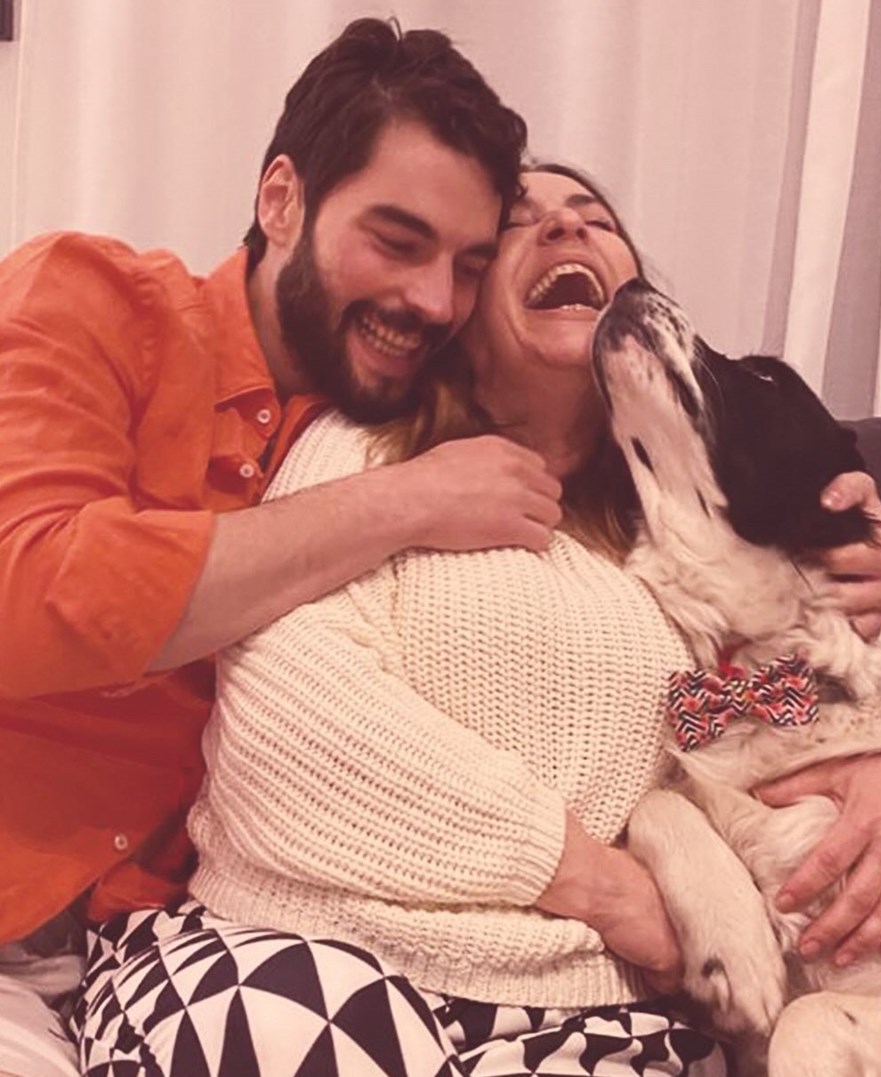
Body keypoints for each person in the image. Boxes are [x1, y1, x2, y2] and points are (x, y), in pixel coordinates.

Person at [72, 164, 881, 1077]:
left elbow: (864, 682)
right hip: (313, 945)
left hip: (595, 1004)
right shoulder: (370, 454)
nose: (566, 230)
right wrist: (604, 885)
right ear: (459, 303)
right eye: (519, 223)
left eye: (595, 218)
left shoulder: (686, 537)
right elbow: (287, 725)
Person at [0, 18, 559, 1077]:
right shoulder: (95, 301)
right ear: (281, 200)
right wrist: (402, 503)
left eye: (471, 267)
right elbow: (28, 596)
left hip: (220, 942)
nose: (434, 301)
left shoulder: (447, 439)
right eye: (397, 241)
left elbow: (700, 680)